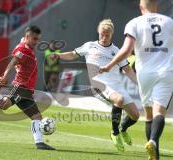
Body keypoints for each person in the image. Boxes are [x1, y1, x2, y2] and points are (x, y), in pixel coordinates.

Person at [99, 1, 173, 159]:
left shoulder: (134, 23)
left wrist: (109, 65)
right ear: (157, 6)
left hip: (145, 74)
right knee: (159, 111)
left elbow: (126, 50)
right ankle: (153, 141)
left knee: (148, 115)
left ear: (141, 7)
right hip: (166, 72)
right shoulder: (169, 22)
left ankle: (153, 154)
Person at [51, 19, 139, 152]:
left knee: (135, 115)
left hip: (117, 86)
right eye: (102, 34)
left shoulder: (116, 50)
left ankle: (123, 129)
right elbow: (72, 55)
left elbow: (128, 70)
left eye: (107, 35)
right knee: (119, 99)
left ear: (112, 34)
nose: (104, 37)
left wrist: (139, 84)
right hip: (100, 85)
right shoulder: (90, 46)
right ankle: (115, 133)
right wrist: (57, 56)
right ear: (98, 32)